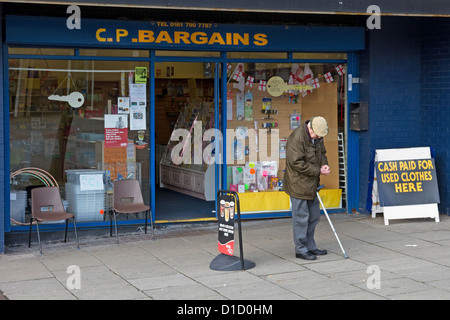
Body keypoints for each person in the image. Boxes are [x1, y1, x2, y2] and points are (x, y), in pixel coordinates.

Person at [284, 116, 330, 260]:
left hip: (312, 183)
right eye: (316, 135)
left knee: (314, 216)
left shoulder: (318, 136)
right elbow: (296, 163)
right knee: (301, 218)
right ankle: (300, 249)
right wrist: (318, 171)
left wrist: (324, 163)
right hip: (298, 184)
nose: (317, 138)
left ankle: (310, 246)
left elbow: (322, 153)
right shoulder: (296, 138)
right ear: (310, 128)